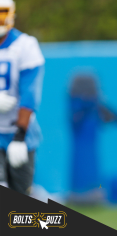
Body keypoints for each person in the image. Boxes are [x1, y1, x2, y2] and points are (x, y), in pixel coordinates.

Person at [0, 0, 45, 195]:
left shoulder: (25, 45)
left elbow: (30, 93)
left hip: (19, 131)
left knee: (21, 202)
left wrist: (19, 136)